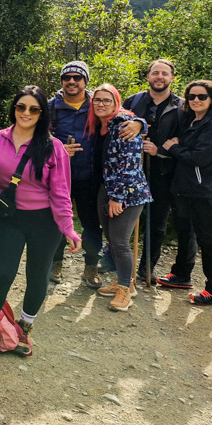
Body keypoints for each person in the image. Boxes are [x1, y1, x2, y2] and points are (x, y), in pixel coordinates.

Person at [0, 86, 81, 366]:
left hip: (45, 222)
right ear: (14, 109)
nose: (26, 113)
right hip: (10, 218)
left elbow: (61, 191)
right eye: (21, 107)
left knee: (38, 277)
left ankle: (24, 329)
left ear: (42, 113)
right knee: (4, 273)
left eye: (34, 109)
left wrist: (68, 228)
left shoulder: (53, 147)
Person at [49, 61, 142, 286]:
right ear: (61, 81)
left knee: (91, 224)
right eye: (67, 77)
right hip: (58, 175)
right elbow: (37, 134)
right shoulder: (50, 107)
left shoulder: (96, 104)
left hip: (90, 177)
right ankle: (55, 263)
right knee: (56, 221)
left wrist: (140, 123)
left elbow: (122, 115)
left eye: (77, 77)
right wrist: (57, 148)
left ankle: (91, 266)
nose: (72, 81)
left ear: (85, 81)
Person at [159, 80, 212, 305]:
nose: (195, 100)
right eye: (191, 96)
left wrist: (173, 148)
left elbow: (200, 158)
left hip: (205, 190)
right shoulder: (192, 120)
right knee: (186, 232)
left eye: (201, 96)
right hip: (185, 187)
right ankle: (181, 274)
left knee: (207, 239)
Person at [86, 84, 152, 311]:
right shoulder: (102, 127)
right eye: (97, 100)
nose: (101, 104)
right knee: (112, 238)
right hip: (108, 188)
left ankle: (125, 288)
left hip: (129, 192)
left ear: (116, 103)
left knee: (121, 241)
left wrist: (117, 197)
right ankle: (125, 283)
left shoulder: (124, 124)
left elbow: (130, 166)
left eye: (107, 100)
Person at [123, 59, 183, 284]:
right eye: (155, 73)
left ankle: (147, 267)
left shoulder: (182, 107)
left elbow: (186, 140)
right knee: (122, 216)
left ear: (172, 78)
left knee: (157, 222)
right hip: (132, 170)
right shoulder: (134, 101)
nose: (160, 77)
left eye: (164, 73)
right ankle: (116, 261)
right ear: (148, 76)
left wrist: (161, 150)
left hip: (164, 172)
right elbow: (118, 126)